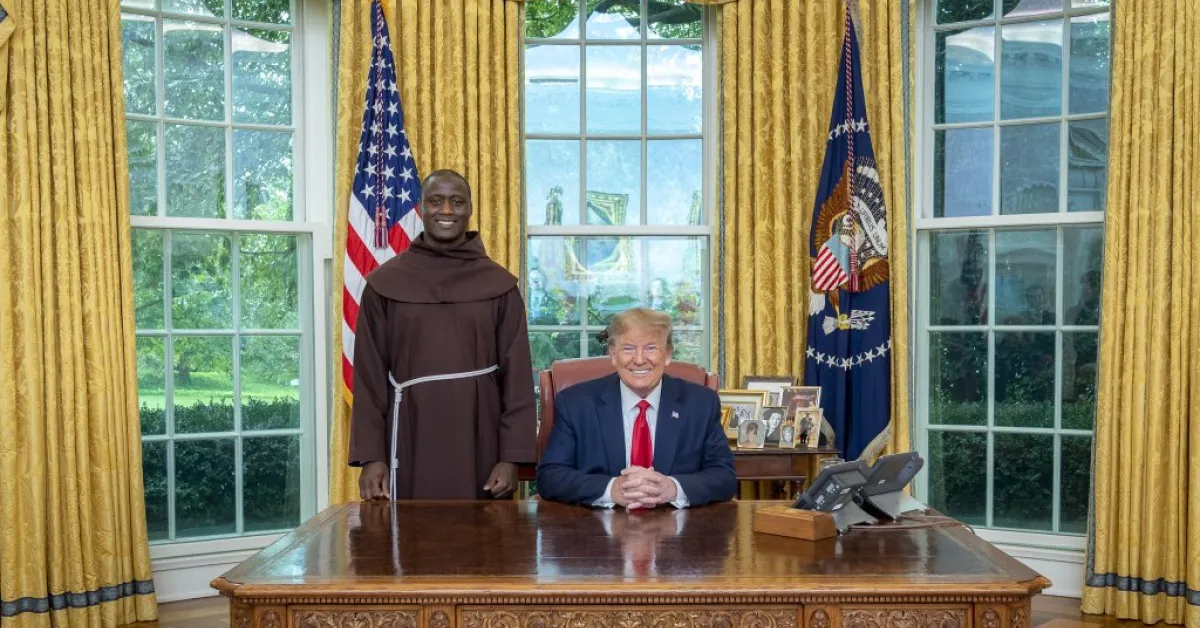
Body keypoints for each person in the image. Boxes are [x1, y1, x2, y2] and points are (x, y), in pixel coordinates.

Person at [349, 169, 537, 501]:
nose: (446, 211)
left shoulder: (500, 285)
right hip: (408, 434)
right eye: (436, 201)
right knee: (409, 544)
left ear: (470, 210)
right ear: (420, 208)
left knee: (483, 545)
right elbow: (369, 377)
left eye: (457, 202)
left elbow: (518, 379)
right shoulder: (384, 284)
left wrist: (511, 459)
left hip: (481, 438)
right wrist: (372, 457)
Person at [536, 308, 736, 509]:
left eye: (650, 348)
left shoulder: (700, 403)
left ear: (667, 355)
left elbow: (724, 477)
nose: (639, 359)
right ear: (613, 355)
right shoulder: (576, 403)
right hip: (596, 531)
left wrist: (672, 489)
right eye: (628, 349)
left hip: (679, 528)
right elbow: (550, 476)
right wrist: (611, 489)